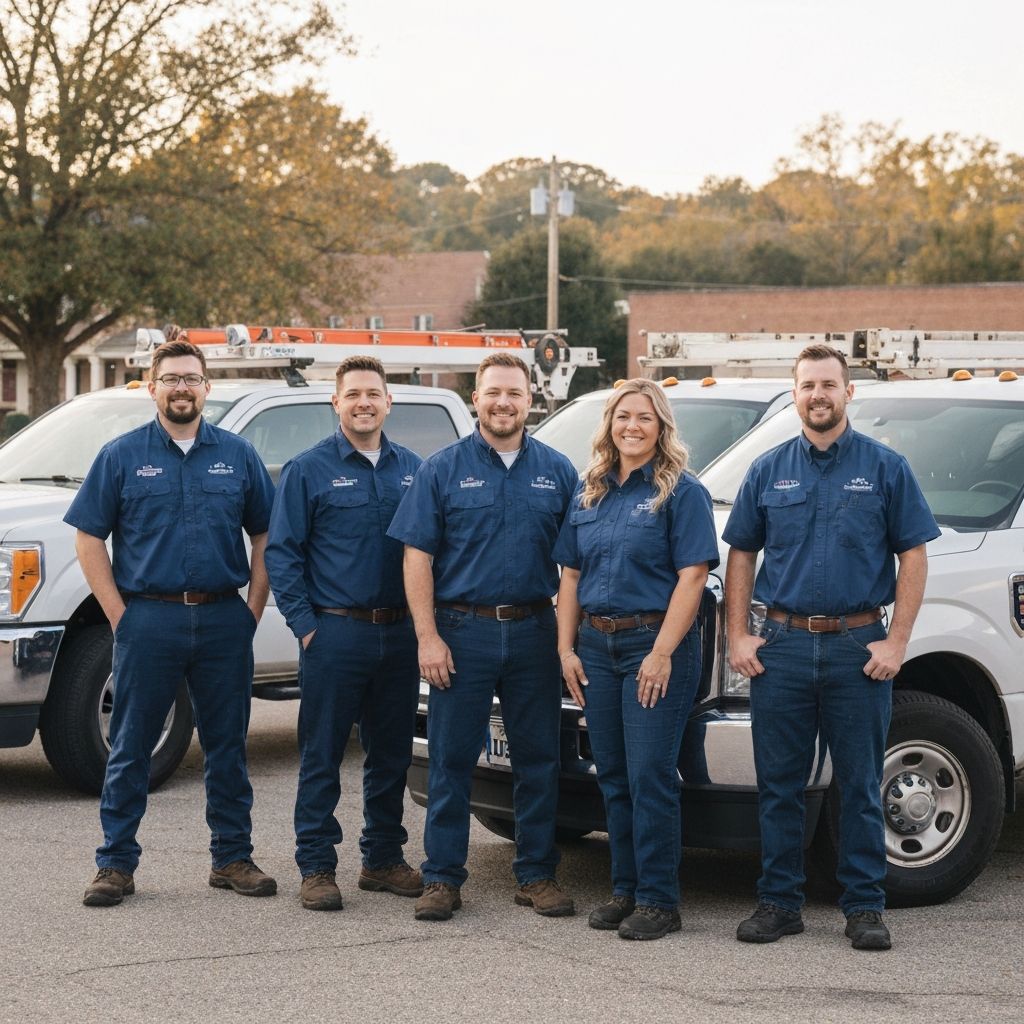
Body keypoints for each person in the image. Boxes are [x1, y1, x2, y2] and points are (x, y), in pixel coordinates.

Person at [723, 344, 939, 951]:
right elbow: (741, 551)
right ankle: (779, 903)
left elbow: (914, 555)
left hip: (857, 648)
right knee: (780, 786)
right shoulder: (767, 470)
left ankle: (865, 907)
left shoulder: (886, 467)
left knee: (862, 784)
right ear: (793, 395)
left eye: (828, 385)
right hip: (783, 648)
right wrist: (740, 634)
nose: (818, 395)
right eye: (807, 385)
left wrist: (896, 640)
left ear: (849, 393)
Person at [66, 338, 277, 907]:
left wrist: (251, 612)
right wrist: (119, 615)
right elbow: (89, 536)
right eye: (171, 378)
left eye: (191, 378)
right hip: (148, 620)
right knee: (131, 744)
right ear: (152, 387)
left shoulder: (238, 455)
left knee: (227, 744)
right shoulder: (121, 456)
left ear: (206, 388)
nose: (181, 388)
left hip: (221, 620)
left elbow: (265, 535)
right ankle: (115, 864)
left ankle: (232, 857)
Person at [387, 352, 578, 922]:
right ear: (476, 398)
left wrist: (568, 643)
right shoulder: (441, 469)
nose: (503, 403)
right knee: (450, 759)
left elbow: (574, 567)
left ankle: (537, 874)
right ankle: (442, 877)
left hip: (533, 632)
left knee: (539, 757)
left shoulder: (558, 472)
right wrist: (427, 637)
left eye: (514, 394)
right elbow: (416, 555)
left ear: (530, 400)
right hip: (460, 631)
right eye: (493, 392)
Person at [554, 379, 718, 940]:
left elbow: (692, 576)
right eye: (624, 416)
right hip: (597, 649)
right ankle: (624, 890)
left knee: (651, 775)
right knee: (615, 775)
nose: (633, 426)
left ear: (661, 426)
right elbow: (570, 575)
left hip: (655, 647)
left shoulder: (682, 492)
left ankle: (659, 901)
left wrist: (662, 653)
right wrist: (565, 648)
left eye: (645, 418)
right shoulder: (590, 492)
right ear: (609, 423)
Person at [265, 356, 424, 911]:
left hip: (401, 636)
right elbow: (282, 554)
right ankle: (316, 866)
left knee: (391, 755)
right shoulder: (307, 470)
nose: (363, 402)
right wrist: (306, 628)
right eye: (352, 393)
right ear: (336, 403)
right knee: (323, 754)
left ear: (388, 402)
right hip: (336, 635)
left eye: (373, 394)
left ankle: (382, 859)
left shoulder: (415, 470)